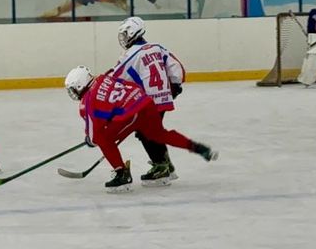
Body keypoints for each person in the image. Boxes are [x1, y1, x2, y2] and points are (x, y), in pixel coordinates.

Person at [65, 66, 218, 192]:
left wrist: (90, 140)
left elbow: (94, 135)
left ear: (79, 85)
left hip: (131, 113)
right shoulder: (103, 77)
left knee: (102, 139)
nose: (73, 93)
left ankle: (121, 174)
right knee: (159, 134)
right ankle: (197, 147)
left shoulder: (87, 102)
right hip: (145, 102)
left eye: (73, 89)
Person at [110, 16, 186, 185]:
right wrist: (175, 85)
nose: (123, 38)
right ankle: (166, 165)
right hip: (164, 97)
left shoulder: (130, 55)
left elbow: (116, 78)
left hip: (148, 101)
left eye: (125, 34)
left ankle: (161, 167)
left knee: (146, 132)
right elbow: (176, 67)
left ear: (133, 33)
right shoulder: (157, 47)